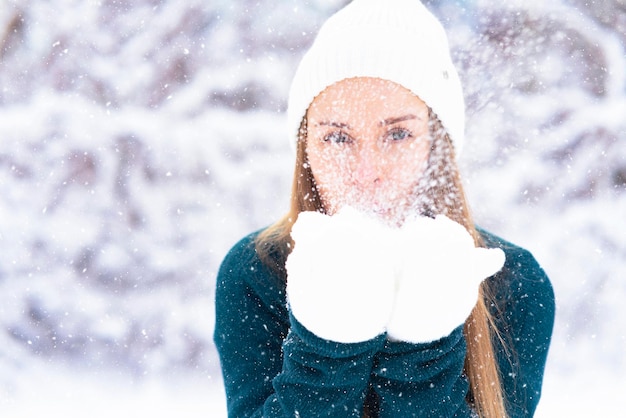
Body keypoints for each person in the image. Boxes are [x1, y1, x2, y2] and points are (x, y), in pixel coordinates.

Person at [213, 0, 555, 416]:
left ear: (437, 146)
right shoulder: (258, 272)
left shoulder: (510, 283)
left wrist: (424, 343)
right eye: (337, 138)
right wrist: (327, 345)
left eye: (398, 134)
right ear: (307, 151)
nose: (366, 172)